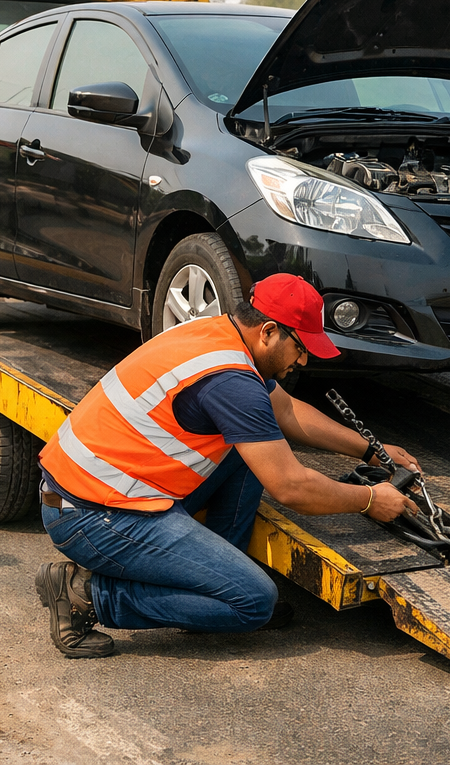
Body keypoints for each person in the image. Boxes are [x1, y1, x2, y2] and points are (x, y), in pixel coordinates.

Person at [34, 274, 422, 658]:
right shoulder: (231, 382)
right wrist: (370, 499)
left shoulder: (220, 336)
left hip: (107, 491)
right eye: (301, 347)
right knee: (254, 602)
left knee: (253, 445)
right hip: (93, 516)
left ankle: (218, 588)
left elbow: (284, 410)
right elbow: (291, 488)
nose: (303, 359)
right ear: (269, 331)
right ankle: (87, 596)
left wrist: (370, 450)